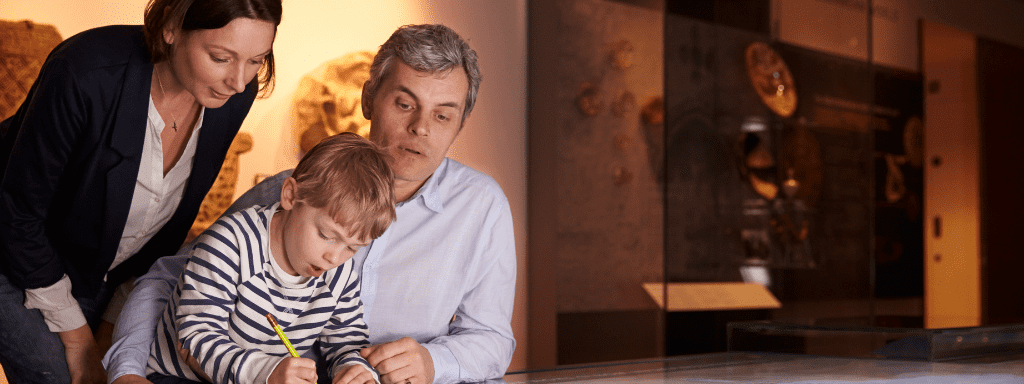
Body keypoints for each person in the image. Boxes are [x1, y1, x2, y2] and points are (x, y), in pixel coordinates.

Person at [105, 23, 516, 384]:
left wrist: (432, 362)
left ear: (461, 122)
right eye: (404, 104)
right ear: (369, 98)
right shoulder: (294, 193)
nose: (420, 128)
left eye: (443, 116)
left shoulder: (482, 207)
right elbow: (171, 282)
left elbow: (494, 339)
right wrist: (124, 369)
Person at [0, 0, 281, 383]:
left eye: (257, 60)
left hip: (92, 269)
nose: (239, 81)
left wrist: (113, 322)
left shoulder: (232, 96)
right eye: (221, 58)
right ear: (171, 27)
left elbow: (172, 222)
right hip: (13, 248)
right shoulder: (84, 71)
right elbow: (17, 215)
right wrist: (80, 339)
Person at [147, 132, 393, 384]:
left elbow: (347, 338)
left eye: (352, 248)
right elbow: (195, 339)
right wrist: (266, 372)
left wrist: (353, 370)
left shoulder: (339, 271)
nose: (334, 257)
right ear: (290, 196)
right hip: (178, 377)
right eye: (326, 235)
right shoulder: (231, 243)